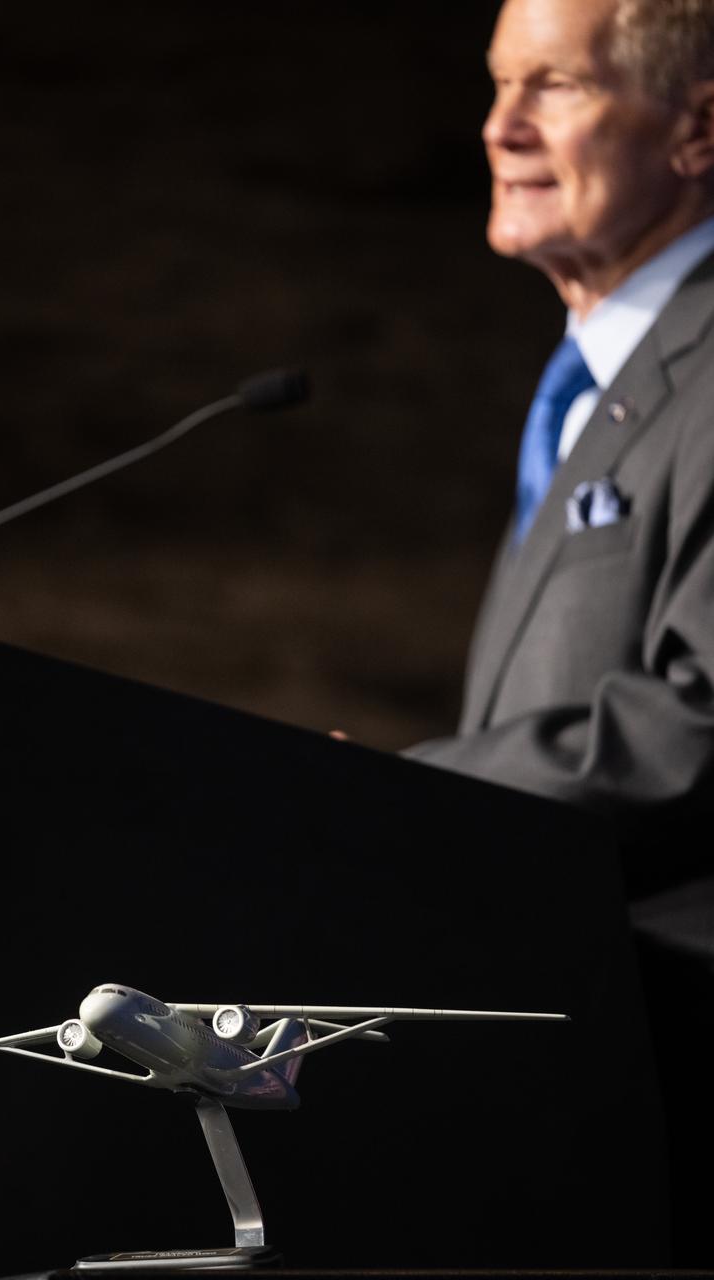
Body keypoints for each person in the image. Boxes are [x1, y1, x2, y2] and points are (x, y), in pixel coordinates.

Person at [402, 0, 714, 1260]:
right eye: (494, 86)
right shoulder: (596, 389)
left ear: (698, 130)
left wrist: (400, 793)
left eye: (555, 87)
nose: (499, 127)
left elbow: (703, 720)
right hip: (580, 1076)